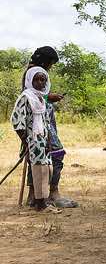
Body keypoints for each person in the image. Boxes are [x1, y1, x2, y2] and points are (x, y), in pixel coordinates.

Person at [21, 47, 77, 209]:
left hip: (40, 122)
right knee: (56, 154)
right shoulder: (33, 72)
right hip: (38, 124)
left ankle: (34, 195)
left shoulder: (32, 71)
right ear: (45, 61)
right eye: (50, 63)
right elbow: (29, 95)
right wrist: (48, 97)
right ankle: (53, 193)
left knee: (36, 157)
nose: (51, 67)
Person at [11, 67, 61, 214]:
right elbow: (16, 120)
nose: (40, 82)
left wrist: (49, 140)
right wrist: (26, 140)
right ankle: (39, 204)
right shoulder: (26, 97)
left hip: (44, 140)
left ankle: (44, 201)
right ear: (30, 81)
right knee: (38, 170)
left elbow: (46, 121)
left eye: (42, 79)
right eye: (36, 79)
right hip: (33, 139)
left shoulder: (40, 98)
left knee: (47, 169)